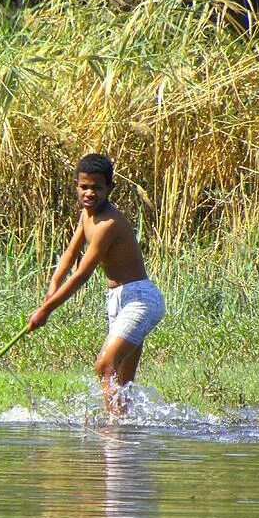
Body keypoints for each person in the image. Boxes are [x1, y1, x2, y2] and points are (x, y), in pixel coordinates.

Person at [28, 153, 165, 416]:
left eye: (97, 188)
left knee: (105, 366)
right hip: (117, 299)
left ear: (109, 188)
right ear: (76, 186)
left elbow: (82, 273)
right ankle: (125, 436)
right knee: (122, 382)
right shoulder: (86, 216)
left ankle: (113, 433)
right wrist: (52, 287)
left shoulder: (107, 224)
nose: (90, 193)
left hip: (140, 300)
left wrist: (46, 310)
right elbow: (69, 256)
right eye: (84, 187)